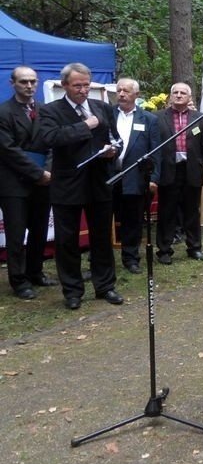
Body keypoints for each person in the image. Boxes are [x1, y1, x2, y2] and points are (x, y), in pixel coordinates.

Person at [37, 63, 124, 309]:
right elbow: (50, 138)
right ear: (64, 85)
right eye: (77, 86)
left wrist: (114, 151)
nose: (83, 90)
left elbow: (115, 138)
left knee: (101, 238)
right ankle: (73, 291)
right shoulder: (51, 110)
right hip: (67, 185)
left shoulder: (103, 107)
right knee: (67, 241)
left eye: (86, 85)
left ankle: (105, 286)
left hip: (99, 183)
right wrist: (85, 126)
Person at [0, 66, 57, 300]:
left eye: (33, 81)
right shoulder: (3, 112)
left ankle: (35, 272)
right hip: (14, 183)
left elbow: (52, 142)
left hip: (43, 182)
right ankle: (18, 280)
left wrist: (48, 170)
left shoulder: (44, 111)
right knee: (15, 234)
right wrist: (37, 173)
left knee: (39, 230)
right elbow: (8, 150)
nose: (29, 86)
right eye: (24, 82)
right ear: (12, 83)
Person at [155, 82, 203, 264]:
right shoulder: (157, 118)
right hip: (168, 170)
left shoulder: (199, 118)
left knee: (192, 212)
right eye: (175, 92)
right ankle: (164, 250)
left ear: (189, 98)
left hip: (192, 170)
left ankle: (194, 247)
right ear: (170, 96)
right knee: (167, 212)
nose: (179, 95)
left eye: (183, 93)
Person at [113, 78, 161, 274]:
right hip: (108, 177)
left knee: (132, 219)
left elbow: (155, 151)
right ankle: (99, 260)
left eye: (126, 91)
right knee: (102, 220)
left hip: (135, 177)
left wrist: (154, 178)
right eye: (119, 90)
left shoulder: (149, 119)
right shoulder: (107, 114)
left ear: (137, 95)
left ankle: (131, 257)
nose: (122, 94)